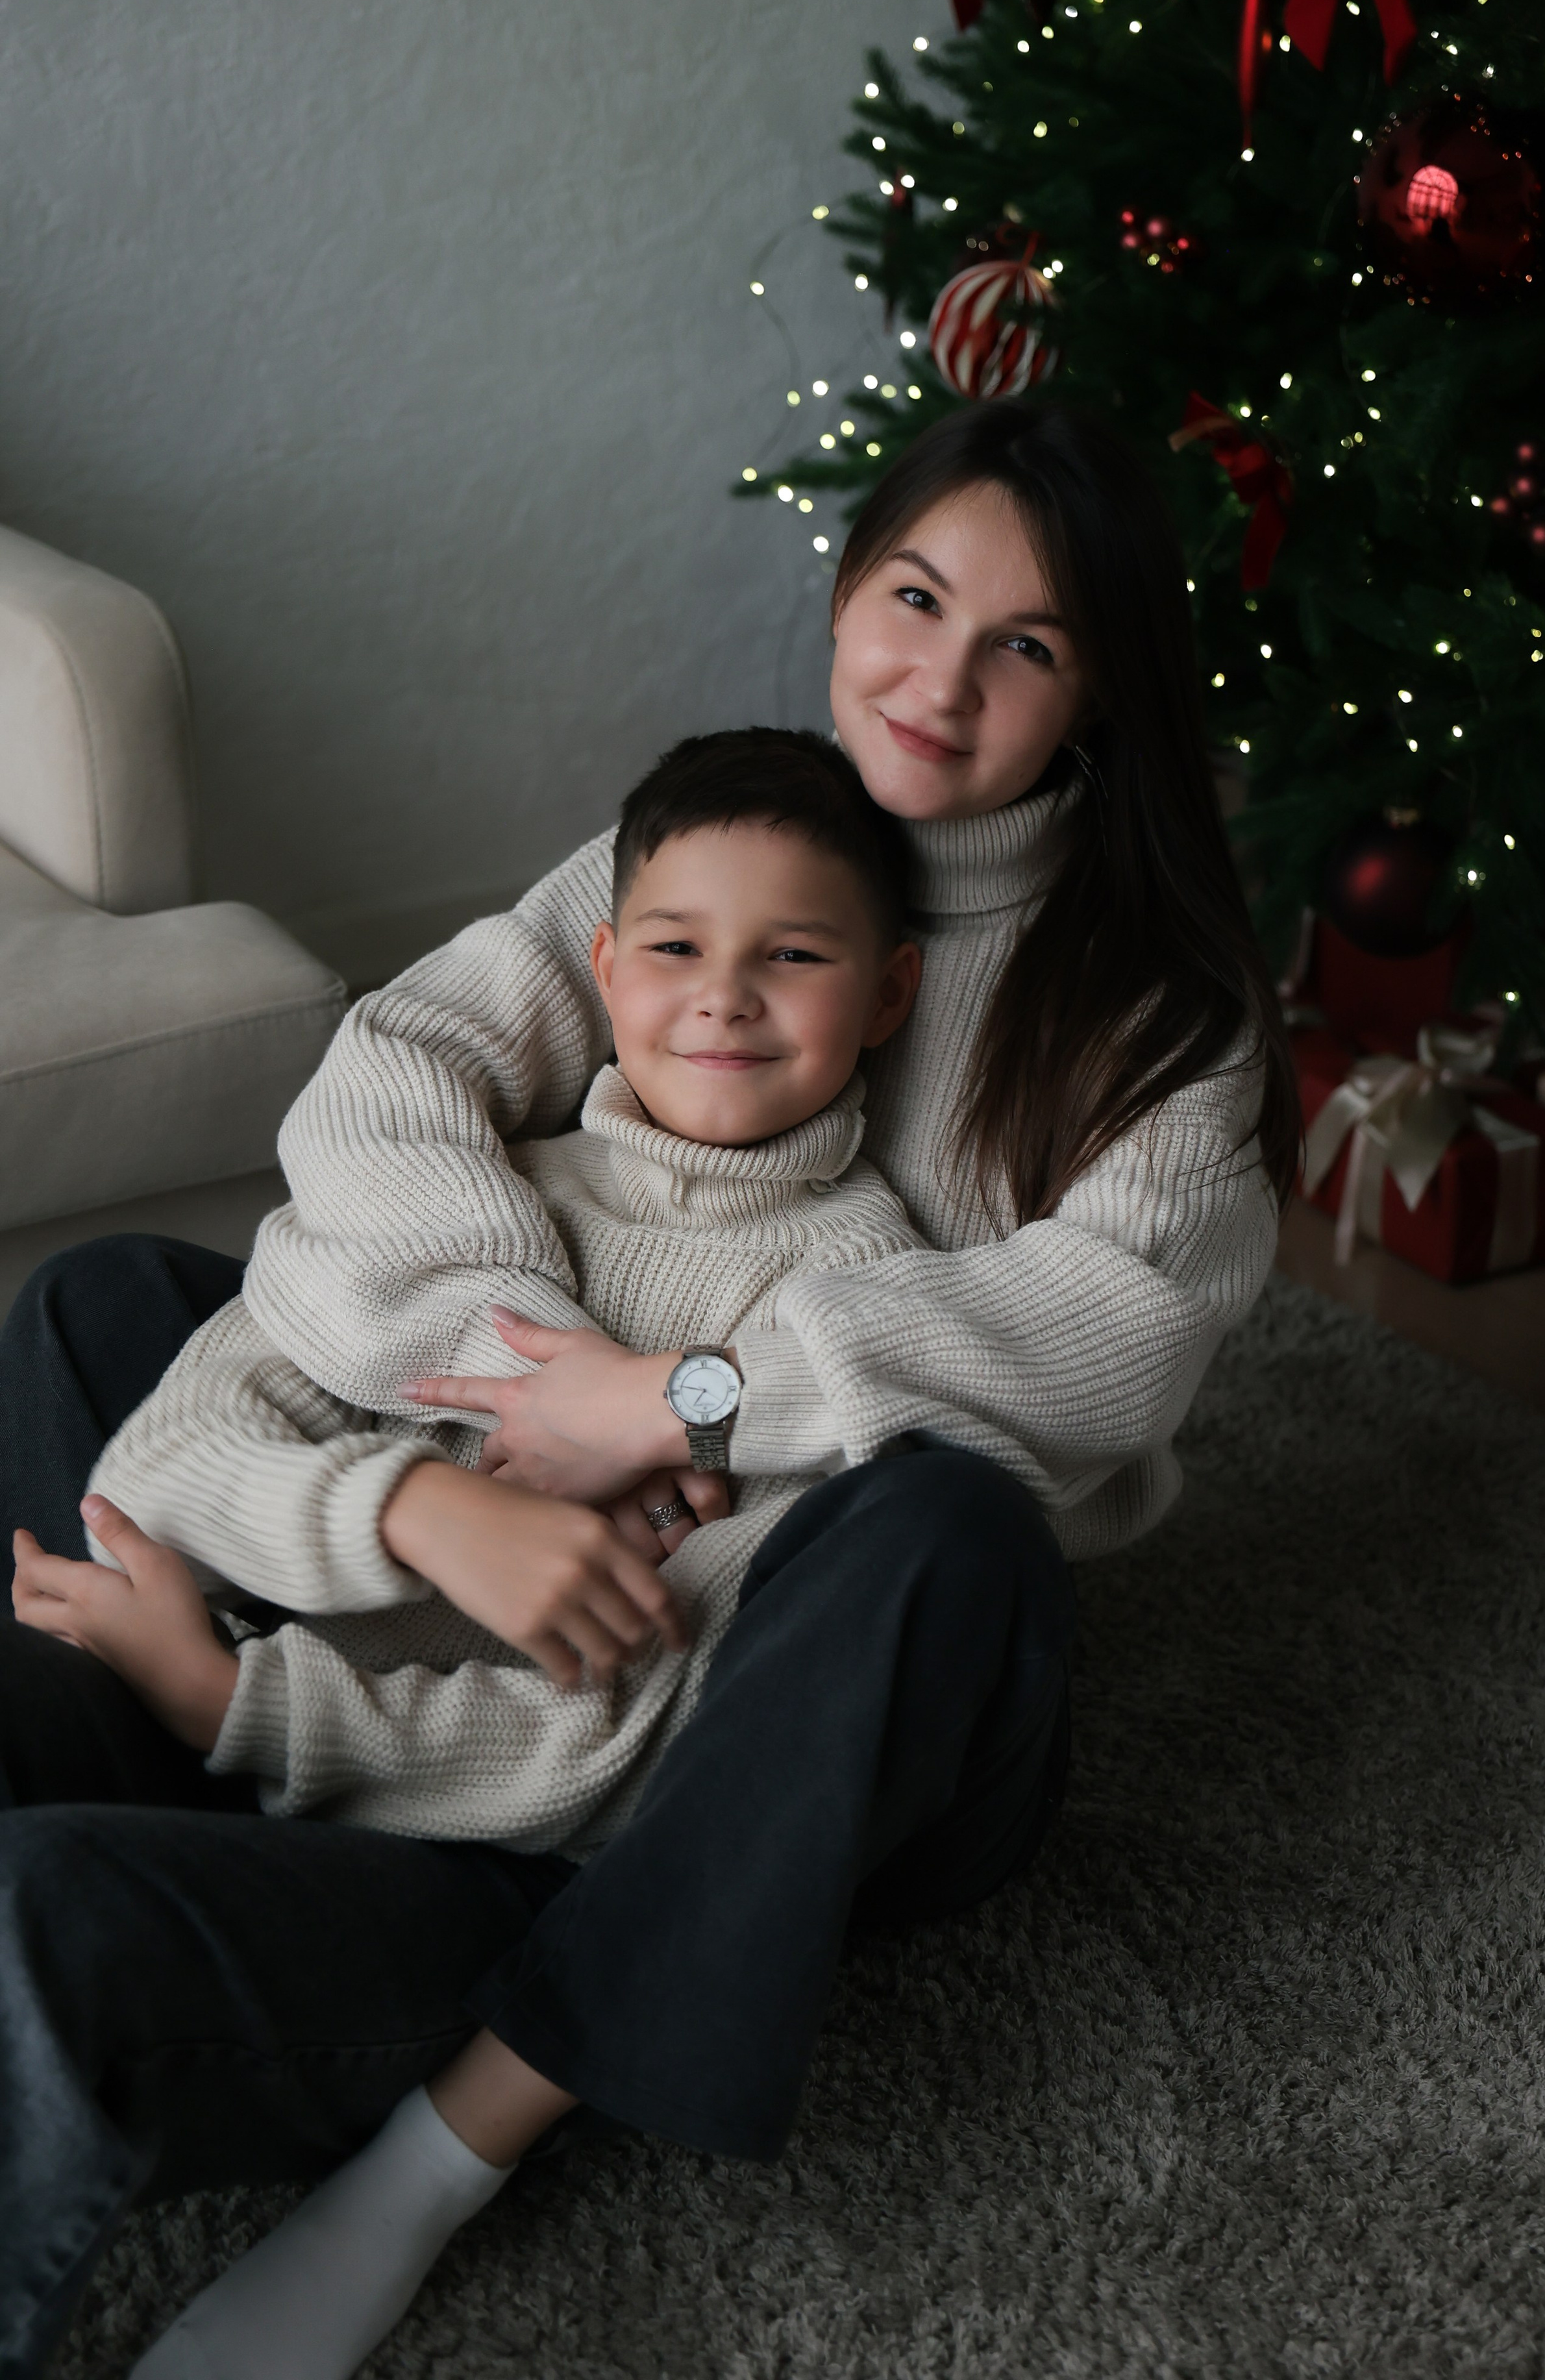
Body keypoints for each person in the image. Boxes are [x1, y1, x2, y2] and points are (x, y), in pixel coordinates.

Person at [0, 399, 1298, 2380]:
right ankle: (197, 1751)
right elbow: (387, 1081)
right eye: (913, 595)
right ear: (849, 586)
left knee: (940, 1522)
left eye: (1024, 645)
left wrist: (685, 1406)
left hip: (833, 1684)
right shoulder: (722, 842)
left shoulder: (1160, 1016)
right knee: (105, 1312)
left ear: (1104, 687)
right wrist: (512, 1424)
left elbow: (1091, 1344)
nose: (938, 680)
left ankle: (456, 2123)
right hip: (539, 1531)